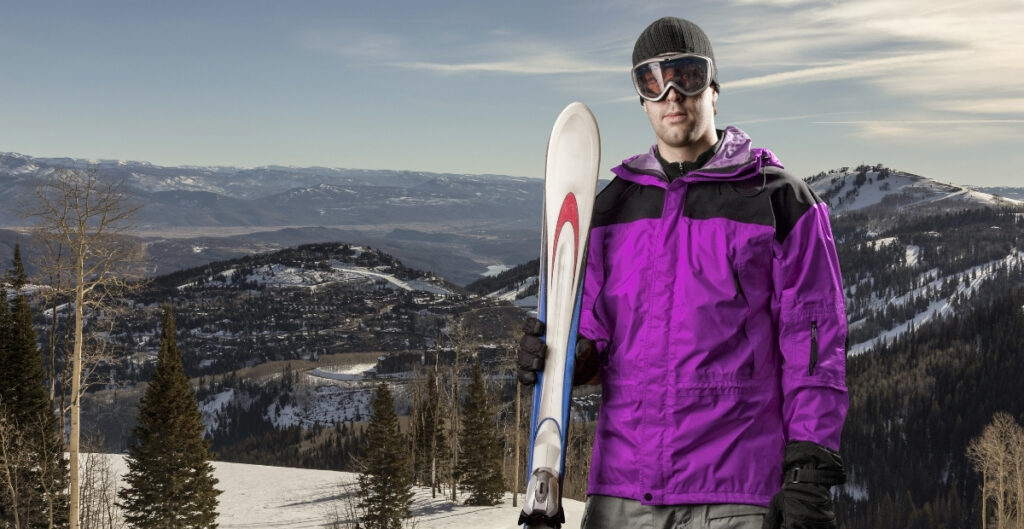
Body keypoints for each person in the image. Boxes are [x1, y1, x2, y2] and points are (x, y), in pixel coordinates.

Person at [518, 16, 848, 529]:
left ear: (713, 88)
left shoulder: (779, 200)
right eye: (652, 80)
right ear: (643, 100)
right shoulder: (613, 207)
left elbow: (814, 343)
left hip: (735, 492)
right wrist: (568, 360)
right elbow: (596, 339)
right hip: (623, 492)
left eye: (687, 75)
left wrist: (809, 473)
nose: (671, 93)